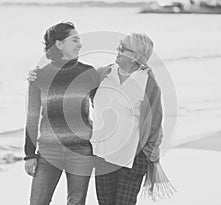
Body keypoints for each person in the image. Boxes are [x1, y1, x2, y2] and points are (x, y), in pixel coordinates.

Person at [27, 33, 175, 205]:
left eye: (123, 48)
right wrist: (38, 75)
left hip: (132, 158)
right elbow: (69, 80)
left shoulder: (148, 83)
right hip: (102, 156)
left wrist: (150, 156)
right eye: (119, 45)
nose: (117, 51)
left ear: (135, 56)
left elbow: (155, 123)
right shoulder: (103, 73)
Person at [24, 22, 99, 205]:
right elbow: (32, 117)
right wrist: (29, 154)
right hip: (49, 152)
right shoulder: (39, 76)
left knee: (76, 202)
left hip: (80, 151)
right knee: (37, 202)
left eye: (79, 40)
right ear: (59, 44)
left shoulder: (88, 72)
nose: (80, 45)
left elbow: (105, 105)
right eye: (74, 40)